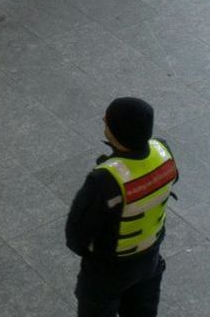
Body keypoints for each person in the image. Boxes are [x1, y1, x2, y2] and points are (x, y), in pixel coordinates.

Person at [66, 97, 176, 317]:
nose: (103, 119)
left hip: (108, 270)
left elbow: (76, 236)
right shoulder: (163, 151)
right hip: (149, 260)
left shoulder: (105, 180)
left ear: (116, 131)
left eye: (107, 119)